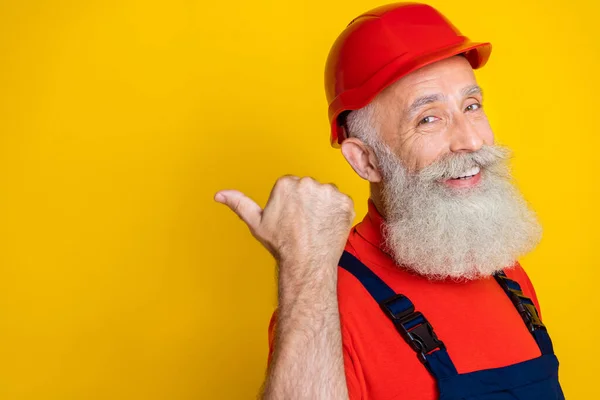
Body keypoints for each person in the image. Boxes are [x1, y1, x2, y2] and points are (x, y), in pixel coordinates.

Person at [215, 3, 564, 399]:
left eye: (472, 106)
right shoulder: (323, 307)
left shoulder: (508, 275)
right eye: (428, 118)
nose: (470, 140)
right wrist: (304, 269)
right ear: (365, 159)